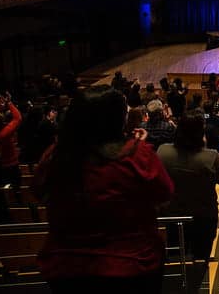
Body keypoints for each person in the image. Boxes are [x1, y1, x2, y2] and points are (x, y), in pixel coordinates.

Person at [33, 86, 173, 294]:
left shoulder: (55, 156)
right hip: (131, 265)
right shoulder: (136, 153)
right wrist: (137, 149)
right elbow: (164, 192)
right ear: (117, 120)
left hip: (66, 268)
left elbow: (37, 191)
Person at [158, 115, 219, 262]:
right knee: (202, 255)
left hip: (171, 213)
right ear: (200, 134)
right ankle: (200, 276)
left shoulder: (162, 152)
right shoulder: (210, 156)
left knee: (175, 252)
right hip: (203, 214)